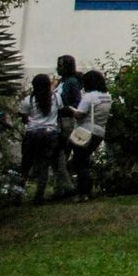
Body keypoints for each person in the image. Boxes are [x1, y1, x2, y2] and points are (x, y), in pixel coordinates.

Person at [66, 69, 112, 202]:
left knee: (80, 163)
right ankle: (87, 191)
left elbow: (80, 113)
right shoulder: (107, 96)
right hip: (99, 132)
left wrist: (70, 109)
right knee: (85, 161)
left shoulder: (89, 96)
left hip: (85, 131)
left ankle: (82, 192)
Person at [17, 74, 63, 203]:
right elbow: (60, 112)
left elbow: (25, 119)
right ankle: (39, 195)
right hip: (50, 133)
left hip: (32, 133)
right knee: (44, 165)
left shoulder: (28, 100)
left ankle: (17, 193)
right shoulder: (56, 97)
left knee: (26, 165)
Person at [53, 55, 82, 198]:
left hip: (67, 120)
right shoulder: (61, 81)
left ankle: (66, 186)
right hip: (58, 120)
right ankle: (61, 187)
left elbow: (76, 102)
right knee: (59, 155)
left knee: (61, 153)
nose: (58, 68)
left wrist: (66, 108)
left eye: (60, 65)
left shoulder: (72, 82)